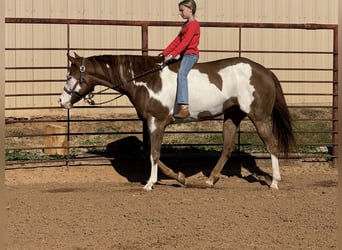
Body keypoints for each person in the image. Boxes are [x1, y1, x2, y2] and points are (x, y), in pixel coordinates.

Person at [161, 0, 200, 118]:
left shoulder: (194, 25)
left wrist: (172, 55)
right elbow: (177, 41)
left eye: (182, 10)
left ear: (190, 9)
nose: (180, 13)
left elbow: (185, 42)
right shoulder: (185, 25)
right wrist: (164, 53)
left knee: (182, 74)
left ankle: (184, 108)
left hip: (191, 55)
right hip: (183, 55)